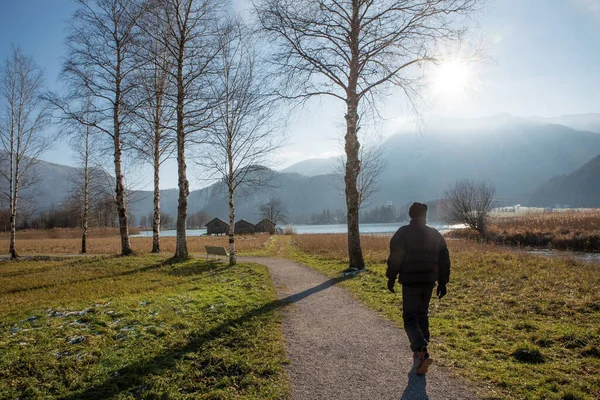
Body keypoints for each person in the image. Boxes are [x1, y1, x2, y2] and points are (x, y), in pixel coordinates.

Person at [386, 202, 450, 376]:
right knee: (422, 314)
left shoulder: (402, 233)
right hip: (429, 282)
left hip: (410, 282)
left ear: (410, 214)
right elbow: (444, 260)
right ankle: (422, 349)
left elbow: (395, 259)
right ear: (425, 214)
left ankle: (421, 351)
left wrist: (391, 278)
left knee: (409, 317)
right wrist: (443, 283)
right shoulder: (434, 233)